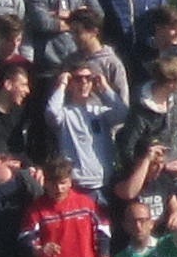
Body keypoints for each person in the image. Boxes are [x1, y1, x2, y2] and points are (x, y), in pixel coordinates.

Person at [44, 60, 128, 200]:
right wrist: (62, 84)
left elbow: (123, 113)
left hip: (106, 184)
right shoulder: (64, 114)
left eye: (88, 78)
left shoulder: (100, 112)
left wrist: (105, 87)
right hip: (78, 187)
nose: (83, 83)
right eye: (77, 79)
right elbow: (52, 112)